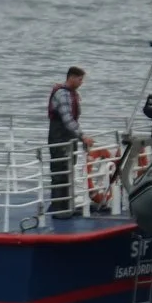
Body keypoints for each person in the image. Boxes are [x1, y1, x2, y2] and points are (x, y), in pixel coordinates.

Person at [46, 66, 95, 217]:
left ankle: (66, 205)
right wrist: (83, 136)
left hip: (68, 138)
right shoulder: (62, 94)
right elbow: (68, 119)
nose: (81, 83)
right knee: (60, 172)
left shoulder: (71, 94)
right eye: (80, 79)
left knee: (68, 171)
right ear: (72, 77)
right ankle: (58, 208)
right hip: (59, 138)